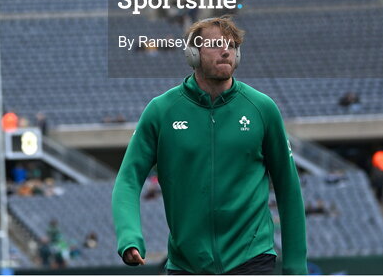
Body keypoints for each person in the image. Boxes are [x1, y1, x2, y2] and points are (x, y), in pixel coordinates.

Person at [112, 15, 306, 274]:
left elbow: (288, 188)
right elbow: (128, 179)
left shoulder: (262, 109)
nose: (225, 51)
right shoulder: (161, 111)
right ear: (193, 54)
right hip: (186, 264)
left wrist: (296, 267)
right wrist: (129, 237)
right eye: (215, 44)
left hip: (252, 258)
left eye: (232, 46)